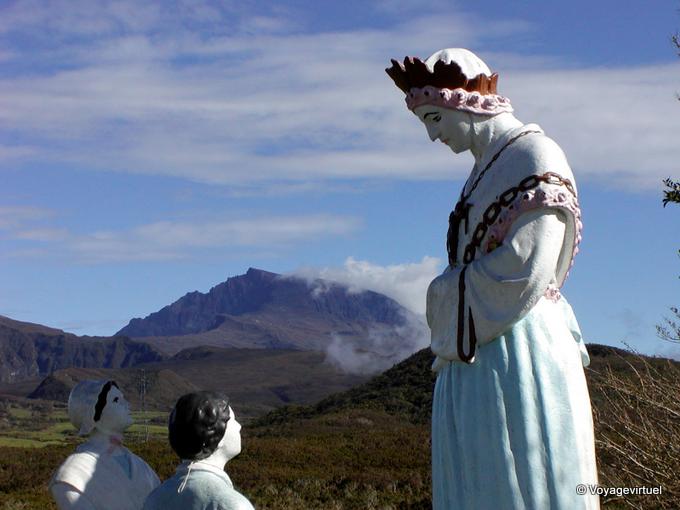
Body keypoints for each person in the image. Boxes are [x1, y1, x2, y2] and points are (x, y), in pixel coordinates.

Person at [386, 48, 599, 509]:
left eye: (435, 119)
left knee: (523, 478)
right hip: (478, 352)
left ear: (464, 104)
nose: (432, 135)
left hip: (519, 349)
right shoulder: (482, 171)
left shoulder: (534, 155)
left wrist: (444, 292)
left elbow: (527, 265)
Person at [50, 380, 161, 510]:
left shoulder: (141, 466)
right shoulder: (73, 475)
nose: (127, 405)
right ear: (93, 414)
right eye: (116, 400)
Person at [143, 391, 254, 510]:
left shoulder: (154, 498)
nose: (239, 426)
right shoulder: (232, 504)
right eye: (233, 420)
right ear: (217, 436)